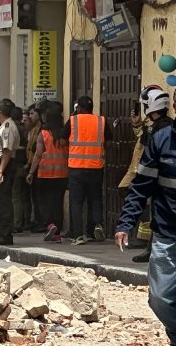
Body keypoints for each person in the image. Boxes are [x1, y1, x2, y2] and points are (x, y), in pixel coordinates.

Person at [115, 79, 176, 346]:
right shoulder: (160, 140)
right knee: (158, 299)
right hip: (167, 235)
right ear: (174, 104)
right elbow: (141, 186)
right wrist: (125, 223)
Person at [123, 85, 175, 263]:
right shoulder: (157, 125)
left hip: (159, 177)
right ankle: (150, 248)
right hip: (155, 176)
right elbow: (142, 139)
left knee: (157, 213)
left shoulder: (162, 128)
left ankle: (152, 249)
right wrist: (137, 123)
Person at [65, 95, 111, 244]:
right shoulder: (101, 121)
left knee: (76, 202)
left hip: (76, 168)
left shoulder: (72, 120)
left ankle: (78, 235)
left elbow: (61, 140)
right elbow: (109, 142)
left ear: (78, 108)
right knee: (95, 199)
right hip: (95, 167)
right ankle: (96, 226)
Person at [27, 101, 69, 242]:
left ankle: (50, 224)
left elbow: (38, 154)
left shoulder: (43, 134)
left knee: (44, 202)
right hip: (62, 174)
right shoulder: (65, 134)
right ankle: (57, 233)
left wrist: (31, 172)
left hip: (45, 174)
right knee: (58, 203)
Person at [0, 101, 21, 245]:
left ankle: (5, 235)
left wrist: (0, 172)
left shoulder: (7, 127)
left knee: (3, 202)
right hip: (1, 164)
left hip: (4, 166)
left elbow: (6, 152)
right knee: (0, 200)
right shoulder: (5, 125)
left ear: (0, 112)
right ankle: (3, 233)